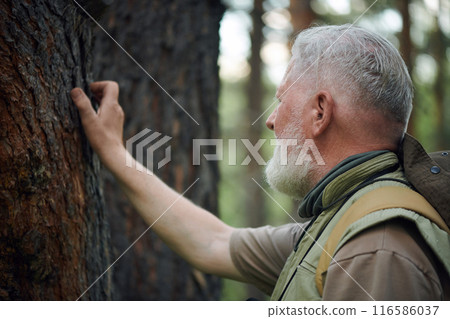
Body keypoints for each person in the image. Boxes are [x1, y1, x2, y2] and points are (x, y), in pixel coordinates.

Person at [70, 25, 450, 300]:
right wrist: (116, 155)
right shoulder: (344, 220)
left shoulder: (375, 246)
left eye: (281, 100)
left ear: (320, 112)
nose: (271, 120)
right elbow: (214, 242)